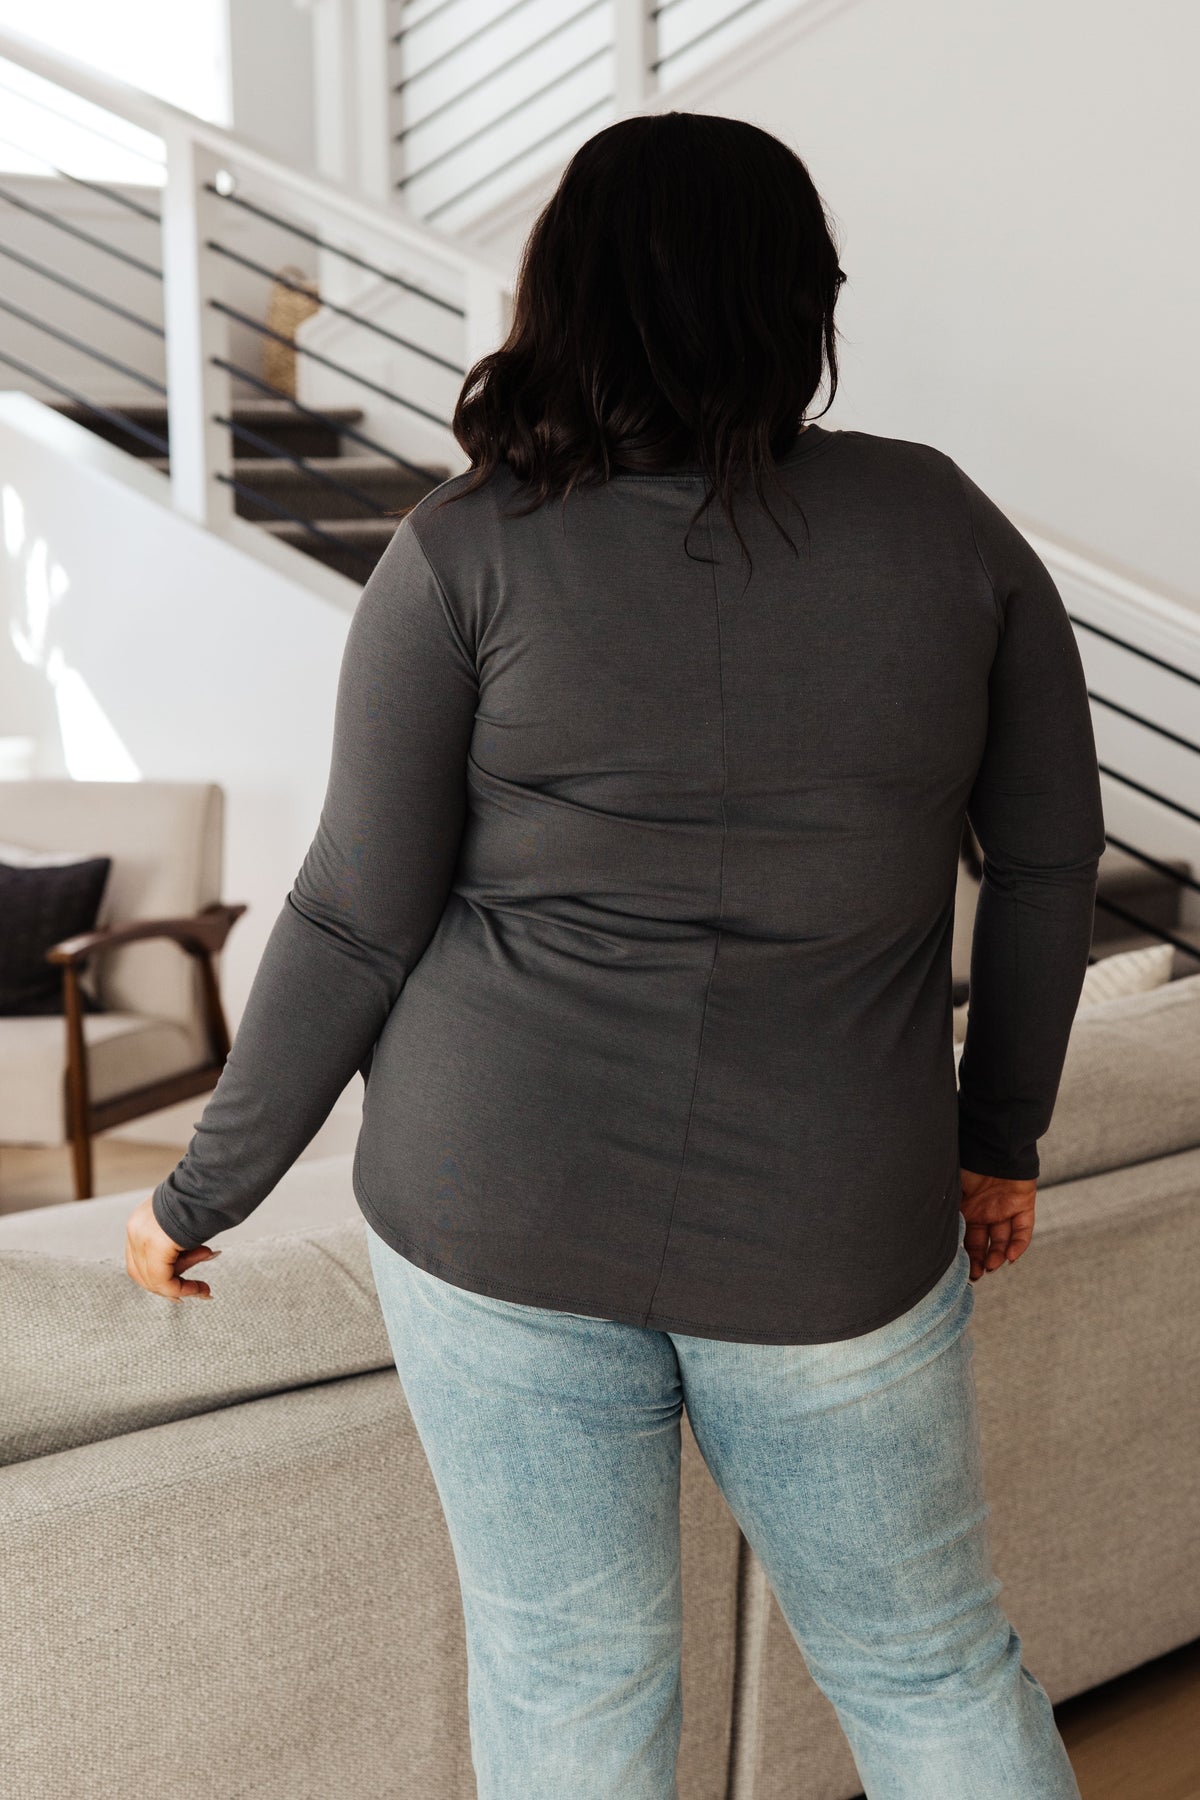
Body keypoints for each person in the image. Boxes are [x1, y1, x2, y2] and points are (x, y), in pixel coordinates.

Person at [126, 111, 1102, 1799]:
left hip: (497, 1197)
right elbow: (1046, 865)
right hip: (832, 1217)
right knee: (931, 1668)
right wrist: (997, 1134)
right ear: (801, 299)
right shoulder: (943, 524)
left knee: (570, 1687)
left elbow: (355, 913)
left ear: (559, 293)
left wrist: (198, 1190)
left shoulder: (463, 548)